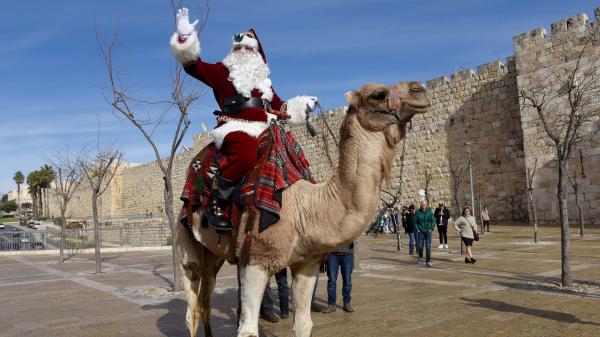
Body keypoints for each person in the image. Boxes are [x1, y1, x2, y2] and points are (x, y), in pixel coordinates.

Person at [170, 8, 318, 230]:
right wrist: (185, 38)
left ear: (256, 54)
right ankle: (219, 199)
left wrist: (302, 105)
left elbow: (281, 106)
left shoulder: (264, 84)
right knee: (246, 152)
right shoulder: (221, 71)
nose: (242, 51)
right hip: (234, 127)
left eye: (247, 48)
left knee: (291, 154)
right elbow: (194, 66)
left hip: (265, 127)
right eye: (237, 47)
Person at [322, 242, 355, 313]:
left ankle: (346, 303)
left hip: (347, 254)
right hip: (332, 254)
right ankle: (331, 305)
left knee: (347, 281)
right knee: (332, 281)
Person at [415, 200, 435, 267]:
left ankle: (428, 260)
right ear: (420, 205)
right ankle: (420, 257)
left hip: (428, 231)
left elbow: (433, 221)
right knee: (420, 246)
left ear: (426, 205)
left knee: (428, 246)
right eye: (422, 204)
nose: (423, 205)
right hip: (420, 231)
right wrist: (417, 228)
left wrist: (431, 228)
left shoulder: (429, 212)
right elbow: (415, 222)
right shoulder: (417, 212)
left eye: (425, 204)